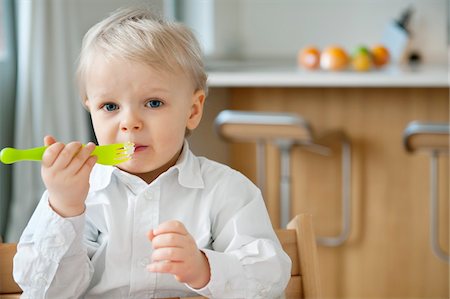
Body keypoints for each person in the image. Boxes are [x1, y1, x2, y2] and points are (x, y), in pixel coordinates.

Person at [13, 7, 291, 298]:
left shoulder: (227, 190)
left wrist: (205, 269)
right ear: (90, 110)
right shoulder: (78, 194)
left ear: (193, 111)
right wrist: (65, 208)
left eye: (153, 103)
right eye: (110, 106)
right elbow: (44, 292)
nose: (129, 122)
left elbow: (269, 279)